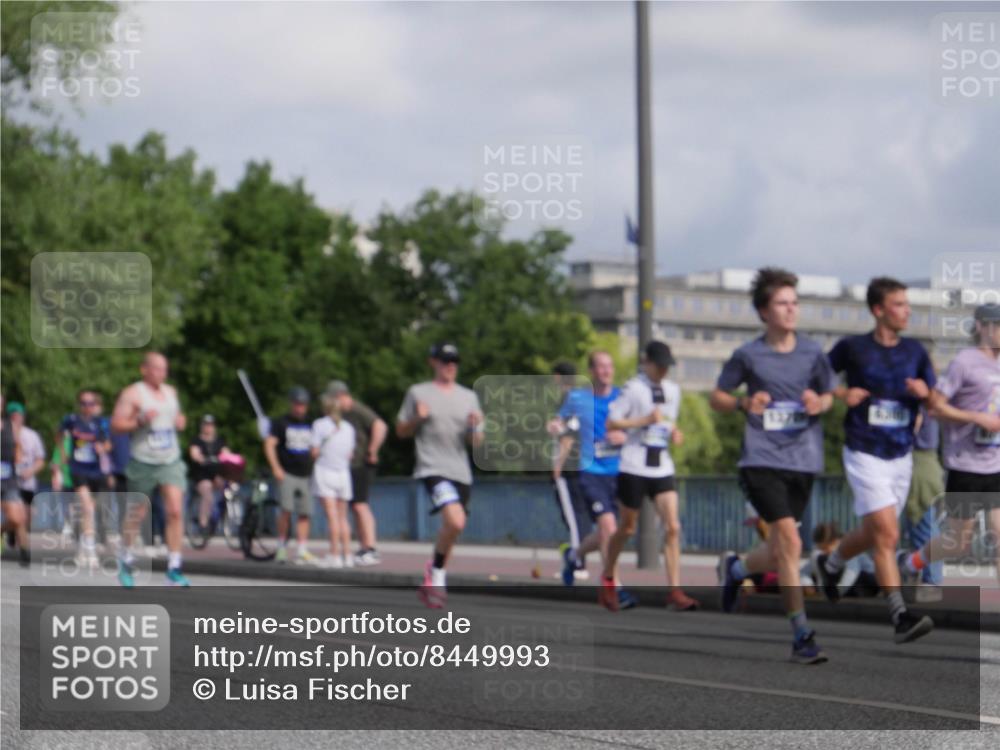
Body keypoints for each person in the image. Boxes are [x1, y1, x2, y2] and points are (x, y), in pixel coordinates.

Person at [711, 267, 834, 663]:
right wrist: (744, 403)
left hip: (802, 460)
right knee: (791, 542)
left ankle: (735, 569)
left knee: (782, 548)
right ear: (764, 311)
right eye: (782, 303)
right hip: (761, 459)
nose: (791, 309)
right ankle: (801, 634)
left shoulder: (813, 353)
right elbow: (717, 397)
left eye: (795, 303)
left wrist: (820, 402)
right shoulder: (748, 355)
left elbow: (830, 394)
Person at [815, 277, 935, 644]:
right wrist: (841, 392)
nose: (907, 310)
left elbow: (935, 401)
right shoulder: (852, 348)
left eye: (907, 303)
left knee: (873, 532)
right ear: (878, 310)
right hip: (864, 451)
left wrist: (925, 393)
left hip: (901, 455)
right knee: (888, 533)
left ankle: (830, 565)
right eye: (899, 304)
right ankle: (900, 614)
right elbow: (818, 378)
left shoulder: (916, 352)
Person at [899, 303, 1000, 584]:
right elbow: (935, 408)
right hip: (965, 465)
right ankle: (911, 561)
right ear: (982, 327)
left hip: (995, 465)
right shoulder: (964, 362)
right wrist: (976, 417)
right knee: (958, 542)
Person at [604, 341, 701, 612]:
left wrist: (674, 432)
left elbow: (668, 421)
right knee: (627, 528)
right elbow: (612, 422)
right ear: (646, 363)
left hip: (662, 466)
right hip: (634, 465)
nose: (663, 371)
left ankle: (675, 591)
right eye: (658, 366)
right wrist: (642, 421)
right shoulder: (633, 388)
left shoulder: (673, 390)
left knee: (673, 526)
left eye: (666, 366)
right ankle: (608, 577)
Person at [396, 342, 483, 609]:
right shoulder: (418, 393)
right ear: (432, 362)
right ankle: (438, 575)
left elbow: (477, 443)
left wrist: (473, 428)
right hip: (432, 467)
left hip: (461, 471)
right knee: (455, 522)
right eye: (445, 361)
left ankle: (433, 573)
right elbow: (401, 431)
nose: (450, 366)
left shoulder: (468, 396)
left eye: (454, 361)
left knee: (453, 528)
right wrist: (417, 419)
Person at [111, 352, 189, 587]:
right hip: (143, 461)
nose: (161, 373)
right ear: (144, 369)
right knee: (138, 514)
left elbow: (178, 416)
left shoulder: (171, 392)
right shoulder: (133, 394)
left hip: (170, 460)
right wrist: (139, 422)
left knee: (175, 510)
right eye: (156, 368)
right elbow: (116, 425)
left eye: (164, 369)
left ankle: (174, 567)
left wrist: (180, 421)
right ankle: (125, 559)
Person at [555, 352, 628, 601]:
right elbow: (559, 422)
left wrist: (626, 437)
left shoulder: (623, 397)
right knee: (607, 526)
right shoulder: (577, 398)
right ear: (592, 371)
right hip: (591, 471)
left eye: (609, 366)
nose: (606, 371)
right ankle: (613, 583)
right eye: (601, 366)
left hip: (620, 473)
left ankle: (574, 556)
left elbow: (639, 427)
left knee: (612, 532)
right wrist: (554, 426)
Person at [326, 380, 387, 566]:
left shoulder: (357, 410)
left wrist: (373, 449)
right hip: (348, 466)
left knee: (360, 505)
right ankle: (363, 547)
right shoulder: (340, 415)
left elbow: (380, 425)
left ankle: (371, 547)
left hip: (361, 463)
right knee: (354, 506)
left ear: (341, 396)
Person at [58, 388, 111, 569]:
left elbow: (108, 443)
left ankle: (82, 546)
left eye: (91, 403)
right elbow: (58, 435)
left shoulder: (101, 423)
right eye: (83, 403)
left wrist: (102, 449)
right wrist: (63, 453)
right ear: (79, 405)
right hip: (78, 469)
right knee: (87, 507)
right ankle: (91, 551)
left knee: (88, 511)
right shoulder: (71, 420)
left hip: (95, 471)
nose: (87, 407)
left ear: (95, 405)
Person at [548, 361, 591, 581]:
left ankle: (577, 563)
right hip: (584, 466)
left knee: (574, 518)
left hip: (569, 467)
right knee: (581, 516)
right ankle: (579, 561)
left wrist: (557, 466)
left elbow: (567, 437)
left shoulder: (569, 399)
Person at [265, 387, 316, 565]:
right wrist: (276, 468)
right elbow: (269, 445)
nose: (300, 408)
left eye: (303, 405)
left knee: (305, 512)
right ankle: (281, 546)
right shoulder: (281, 423)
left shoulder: (311, 424)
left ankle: (302, 548)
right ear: (291, 404)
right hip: (287, 472)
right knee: (286, 510)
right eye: (297, 404)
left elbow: (315, 448)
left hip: (306, 474)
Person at [898, 407, 945, 591]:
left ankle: (931, 579)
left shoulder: (918, 402)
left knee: (922, 525)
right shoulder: (929, 400)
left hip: (919, 464)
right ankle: (929, 577)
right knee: (926, 525)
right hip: (928, 463)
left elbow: (912, 427)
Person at [311, 390, 357, 568]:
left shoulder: (319, 425)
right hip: (343, 474)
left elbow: (314, 451)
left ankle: (334, 555)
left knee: (332, 517)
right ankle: (348, 555)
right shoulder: (349, 428)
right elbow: (350, 454)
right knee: (343, 517)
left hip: (325, 471)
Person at [7, 402, 45, 546]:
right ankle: (14, 532)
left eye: (18, 415)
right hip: (8, 482)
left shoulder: (32, 435)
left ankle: (13, 530)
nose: (16, 418)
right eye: (13, 416)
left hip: (27, 482)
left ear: (23, 417)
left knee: (28, 515)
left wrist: (31, 471)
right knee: (16, 513)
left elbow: (40, 460)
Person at [1, 394, 28, 566]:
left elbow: (18, 448)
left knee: (17, 518)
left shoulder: (11, 425)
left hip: (8, 476)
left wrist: (19, 460)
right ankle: (25, 552)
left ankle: (24, 552)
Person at [189, 415, 228, 530]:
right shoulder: (196, 440)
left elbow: (226, 453)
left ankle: (224, 514)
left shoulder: (220, 441)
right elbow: (194, 453)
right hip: (202, 475)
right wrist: (200, 458)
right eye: (206, 425)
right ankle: (203, 521)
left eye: (211, 425)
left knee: (228, 487)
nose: (208, 428)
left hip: (216, 474)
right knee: (207, 491)